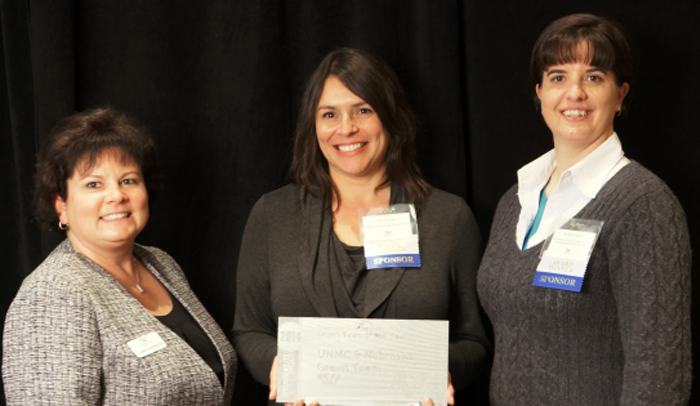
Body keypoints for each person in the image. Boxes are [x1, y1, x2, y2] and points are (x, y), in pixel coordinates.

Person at [232, 48, 490, 406]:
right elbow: (249, 329)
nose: (346, 128)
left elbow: (473, 339)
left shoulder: (449, 218)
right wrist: (280, 365)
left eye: (363, 110)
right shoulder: (272, 215)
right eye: (329, 114)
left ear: (390, 117)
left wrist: (436, 369)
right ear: (313, 125)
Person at [477, 14, 691, 405]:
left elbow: (660, 376)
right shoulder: (515, 201)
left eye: (594, 77)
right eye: (558, 77)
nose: (574, 93)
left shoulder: (643, 204)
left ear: (620, 94)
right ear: (539, 91)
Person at [2, 108, 237, 405]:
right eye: (93, 184)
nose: (116, 195)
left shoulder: (161, 264)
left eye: (128, 180)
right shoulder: (51, 293)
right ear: (60, 205)